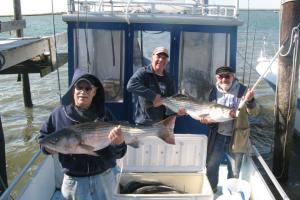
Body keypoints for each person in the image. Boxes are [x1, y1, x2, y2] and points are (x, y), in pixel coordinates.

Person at [38, 68, 127, 200]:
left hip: (105, 178)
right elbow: (43, 139)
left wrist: (119, 144)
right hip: (74, 182)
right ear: (73, 89)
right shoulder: (58, 114)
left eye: (88, 88)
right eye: (79, 87)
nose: (83, 92)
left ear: (95, 92)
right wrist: (47, 148)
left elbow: (120, 153)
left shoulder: (105, 114)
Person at [200, 66, 259, 192]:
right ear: (217, 78)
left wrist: (250, 100)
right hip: (217, 136)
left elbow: (254, 112)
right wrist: (205, 120)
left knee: (234, 170)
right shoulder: (212, 92)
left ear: (233, 76)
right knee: (211, 166)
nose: (224, 79)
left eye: (227, 76)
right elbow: (208, 114)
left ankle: (230, 193)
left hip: (237, 137)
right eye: (221, 76)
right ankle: (212, 191)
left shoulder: (243, 91)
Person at [127, 46, 185, 125]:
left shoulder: (169, 79)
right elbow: (131, 85)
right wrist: (153, 96)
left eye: (164, 58)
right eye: (158, 56)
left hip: (162, 124)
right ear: (152, 58)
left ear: (167, 61)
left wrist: (178, 112)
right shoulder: (143, 72)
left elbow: (171, 101)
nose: (161, 60)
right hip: (143, 123)